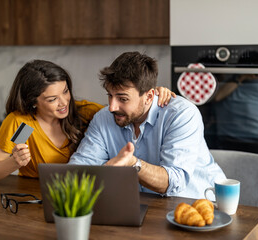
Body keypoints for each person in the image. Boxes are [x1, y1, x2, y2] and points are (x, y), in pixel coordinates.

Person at [0, 59, 175, 182]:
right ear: (33, 102)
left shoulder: (84, 111)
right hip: (35, 194)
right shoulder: (23, 124)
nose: (64, 102)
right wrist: (14, 162)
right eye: (52, 99)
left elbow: (126, 112)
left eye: (65, 92)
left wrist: (152, 97)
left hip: (77, 194)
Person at [69, 52, 226, 198]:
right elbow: (79, 168)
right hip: (146, 207)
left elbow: (174, 181)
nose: (112, 107)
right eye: (110, 96)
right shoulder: (103, 118)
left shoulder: (181, 114)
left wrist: (132, 164)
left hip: (199, 205)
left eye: (122, 99)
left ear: (149, 96)